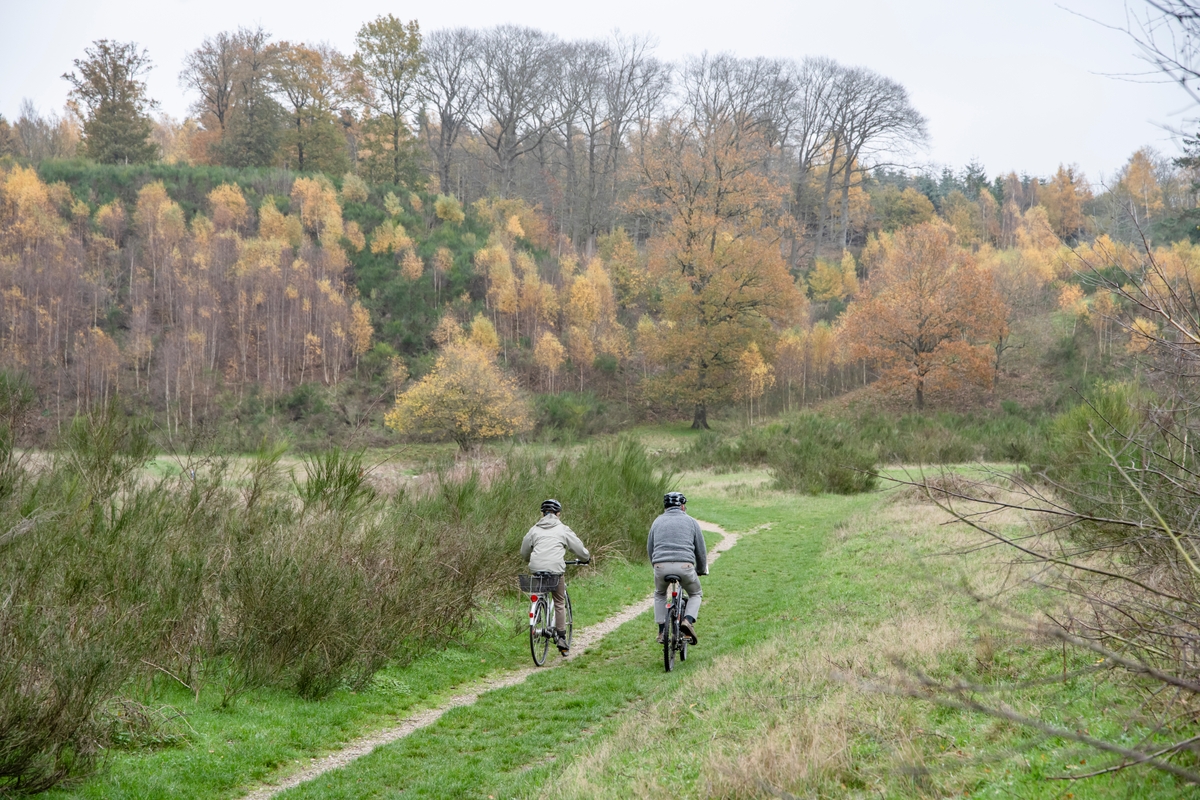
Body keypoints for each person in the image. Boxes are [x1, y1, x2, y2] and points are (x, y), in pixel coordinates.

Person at [521, 498, 590, 654]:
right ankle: (561, 638)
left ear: (542, 513)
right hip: (555, 571)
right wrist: (586, 558)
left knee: (538, 593)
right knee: (559, 601)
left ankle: (537, 617)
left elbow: (524, 551)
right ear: (558, 514)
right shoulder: (562, 529)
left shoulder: (534, 529)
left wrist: (528, 559)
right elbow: (578, 548)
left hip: (537, 569)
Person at [647, 491, 706, 645]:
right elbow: (700, 550)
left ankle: (661, 631)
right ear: (682, 505)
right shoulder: (692, 522)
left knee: (660, 593)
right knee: (696, 593)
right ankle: (687, 620)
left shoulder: (656, 522)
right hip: (685, 566)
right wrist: (700, 569)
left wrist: (655, 565)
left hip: (660, 566)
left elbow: (650, 547)